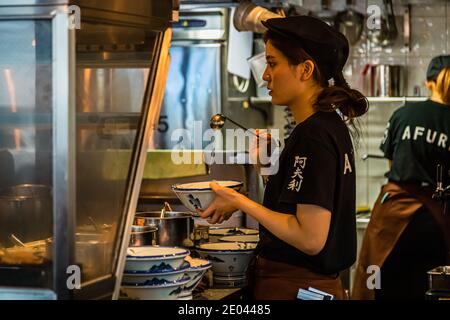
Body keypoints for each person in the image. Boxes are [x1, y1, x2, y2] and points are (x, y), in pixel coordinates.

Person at [198, 15, 368, 300]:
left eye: (273, 63)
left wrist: (239, 201)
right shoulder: (325, 126)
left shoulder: (314, 135)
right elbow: (301, 205)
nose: (265, 75)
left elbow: (310, 239)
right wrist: (270, 167)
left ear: (305, 70)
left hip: (297, 289)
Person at [352, 55, 450, 300]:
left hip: (392, 214)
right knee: (429, 288)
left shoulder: (404, 113)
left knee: (380, 283)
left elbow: (392, 162)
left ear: (429, 83)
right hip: (436, 222)